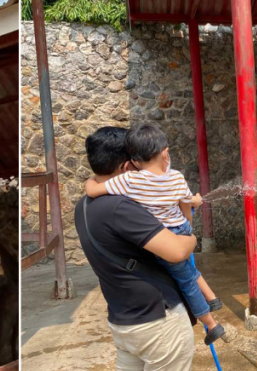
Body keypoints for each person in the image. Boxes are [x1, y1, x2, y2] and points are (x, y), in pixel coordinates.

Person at [75, 126, 218, 371]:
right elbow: (175, 250)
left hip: (124, 321)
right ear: (127, 166)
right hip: (158, 321)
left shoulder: (84, 206)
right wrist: (190, 235)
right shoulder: (121, 207)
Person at [84, 123, 235, 346]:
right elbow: (186, 206)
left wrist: (91, 179)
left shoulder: (130, 181)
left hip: (166, 236)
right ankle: (212, 302)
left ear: (134, 162)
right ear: (165, 153)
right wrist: (191, 228)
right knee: (189, 273)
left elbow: (92, 191)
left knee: (187, 281)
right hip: (181, 229)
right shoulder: (176, 177)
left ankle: (211, 323)